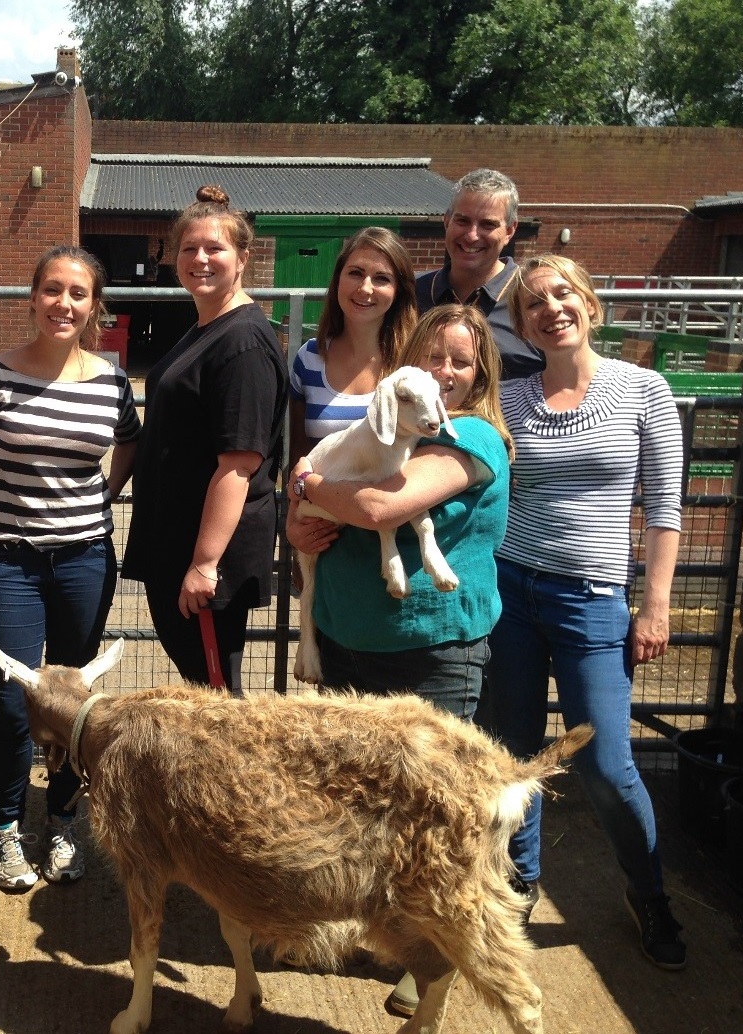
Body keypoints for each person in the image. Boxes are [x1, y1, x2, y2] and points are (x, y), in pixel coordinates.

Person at [286, 305, 514, 1018]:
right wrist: (300, 508)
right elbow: (314, 519)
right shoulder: (390, 423)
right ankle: (379, 931)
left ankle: (435, 956)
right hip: (348, 635)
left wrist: (309, 485)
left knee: (435, 812)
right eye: (433, 358)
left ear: (481, 374)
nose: (445, 374)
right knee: (362, 803)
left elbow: (386, 505)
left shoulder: (470, 434)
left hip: (432, 648)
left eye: (461, 362)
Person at [481, 254, 687, 971]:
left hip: (593, 597)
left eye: (562, 294)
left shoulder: (644, 390)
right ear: (521, 325)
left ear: (590, 302)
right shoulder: (509, 397)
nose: (550, 309)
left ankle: (648, 890)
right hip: (508, 591)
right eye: (532, 303)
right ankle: (519, 882)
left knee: (604, 762)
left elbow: (664, 509)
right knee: (512, 752)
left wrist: (653, 607)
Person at [0, 244, 140, 892]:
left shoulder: (112, 381)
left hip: (85, 561)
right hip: (10, 563)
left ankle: (62, 821)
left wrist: (103, 497)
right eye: (53, 290)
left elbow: (129, 443)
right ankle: (8, 831)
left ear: (94, 306)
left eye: (78, 293)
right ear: (33, 298)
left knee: (72, 707)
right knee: (12, 703)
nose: (65, 303)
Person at [121, 185, 288, 693]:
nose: (200, 258)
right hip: (175, 543)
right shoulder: (204, 328)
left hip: (204, 557)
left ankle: (232, 777)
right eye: (189, 248)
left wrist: (204, 564)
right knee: (202, 686)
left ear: (241, 258)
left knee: (215, 694)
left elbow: (238, 465)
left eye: (215, 248)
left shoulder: (242, 343)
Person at [289, 225, 417, 465]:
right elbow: (298, 455)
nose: (365, 288)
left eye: (381, 278)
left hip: (390, 501)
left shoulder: (414, 362)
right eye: (356, 273)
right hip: (320, 499)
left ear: (398, 290)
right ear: (338, 279)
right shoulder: (308, 359)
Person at [416, 168, 544, 380]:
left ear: (510, 231)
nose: (472, 236)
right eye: (463, 221)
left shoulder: (535, 300)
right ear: (447, 221)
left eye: (488, 224)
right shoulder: (409, 293)